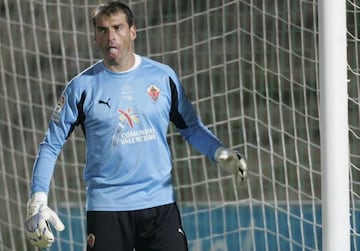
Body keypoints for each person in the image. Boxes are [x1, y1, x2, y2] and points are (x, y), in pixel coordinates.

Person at [24, 1, 247, 251]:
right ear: (95, 36)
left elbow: (191, 128)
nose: (110, 37)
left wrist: (218, 152)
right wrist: (38, 200)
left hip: (160, 207)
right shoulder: (81, 88)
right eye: (102, 30)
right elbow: (51, 145)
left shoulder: (163, 77)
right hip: (107, 209)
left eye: (118, 28)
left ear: (133, 31)